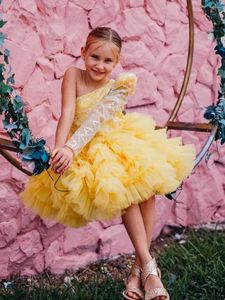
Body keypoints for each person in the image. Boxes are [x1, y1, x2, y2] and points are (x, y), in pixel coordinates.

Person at [21, 27, 195, 300]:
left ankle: (141, 271)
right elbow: (67, 113)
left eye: (107, 61)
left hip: (119, 139)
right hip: (86, 148)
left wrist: (70, 146)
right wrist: (61, 147)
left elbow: (95, 121)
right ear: (83, 53)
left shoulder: (121, 85)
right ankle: (147, 270)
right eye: (95, 57)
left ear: (117, 62)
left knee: (146, 192)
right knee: (123, 192)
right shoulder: (72, 76)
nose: (100, 66)